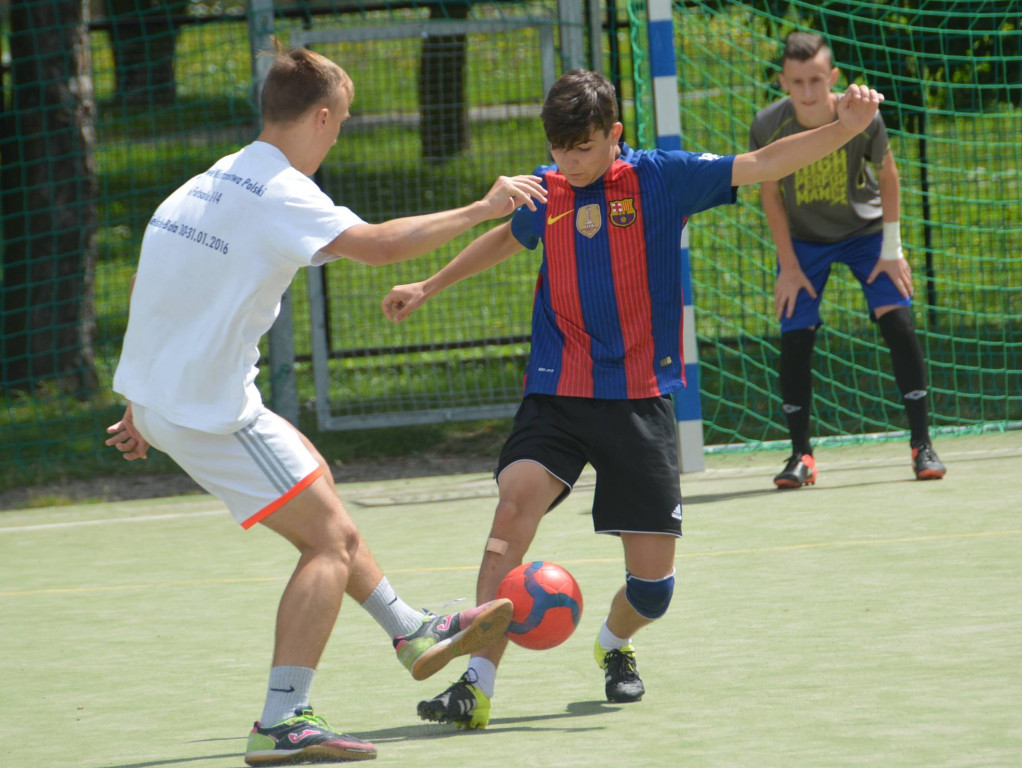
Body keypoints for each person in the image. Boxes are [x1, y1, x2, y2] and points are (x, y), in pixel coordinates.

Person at [379, 68, 886, 730]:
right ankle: (475, 687)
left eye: (584, 147)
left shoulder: (660, 179)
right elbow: (506, 236)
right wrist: (429, 286)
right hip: (557, 389)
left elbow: (762, 161)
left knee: (653, 588)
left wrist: (841, 129)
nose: (569, 161)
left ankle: (615, 647)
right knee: (512, 513)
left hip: (639, 396)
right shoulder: (547, 188)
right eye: (560, 147)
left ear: (613, 134)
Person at [103, 39, 547, 766]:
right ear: (317, 116)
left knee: (314, 472)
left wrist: (139, 399)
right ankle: (283, 719)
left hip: (167, 399)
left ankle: (411, 629)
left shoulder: (208, 182)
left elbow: (156, 284)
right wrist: (482, 206)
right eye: (339, 123)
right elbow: (378, 245)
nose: (336, 137)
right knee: (329, 542)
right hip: (210, 410)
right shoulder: (281, 191)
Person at [749, 31, 947, 489]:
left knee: (897, 318)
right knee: (794, 332)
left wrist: (892, 248)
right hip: (803, 242)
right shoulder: (768, 124)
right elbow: (770, 194)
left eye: (816, 80)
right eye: (797, 82)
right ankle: (801, 455)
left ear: (833, 77)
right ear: (782, 82)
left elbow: (889, 174)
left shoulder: (860, 116)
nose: (808, 92)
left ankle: (922, 444)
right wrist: (789, 264)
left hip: (865, 233)